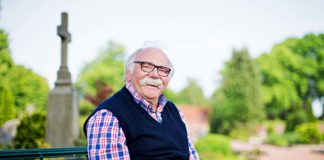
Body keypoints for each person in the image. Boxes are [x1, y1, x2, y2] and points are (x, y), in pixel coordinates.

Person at [83, 44, 199, 160]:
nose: (155, 75)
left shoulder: (175, 112)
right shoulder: (107, 116)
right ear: (128, 73)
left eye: (163, 70)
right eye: (147, 66)